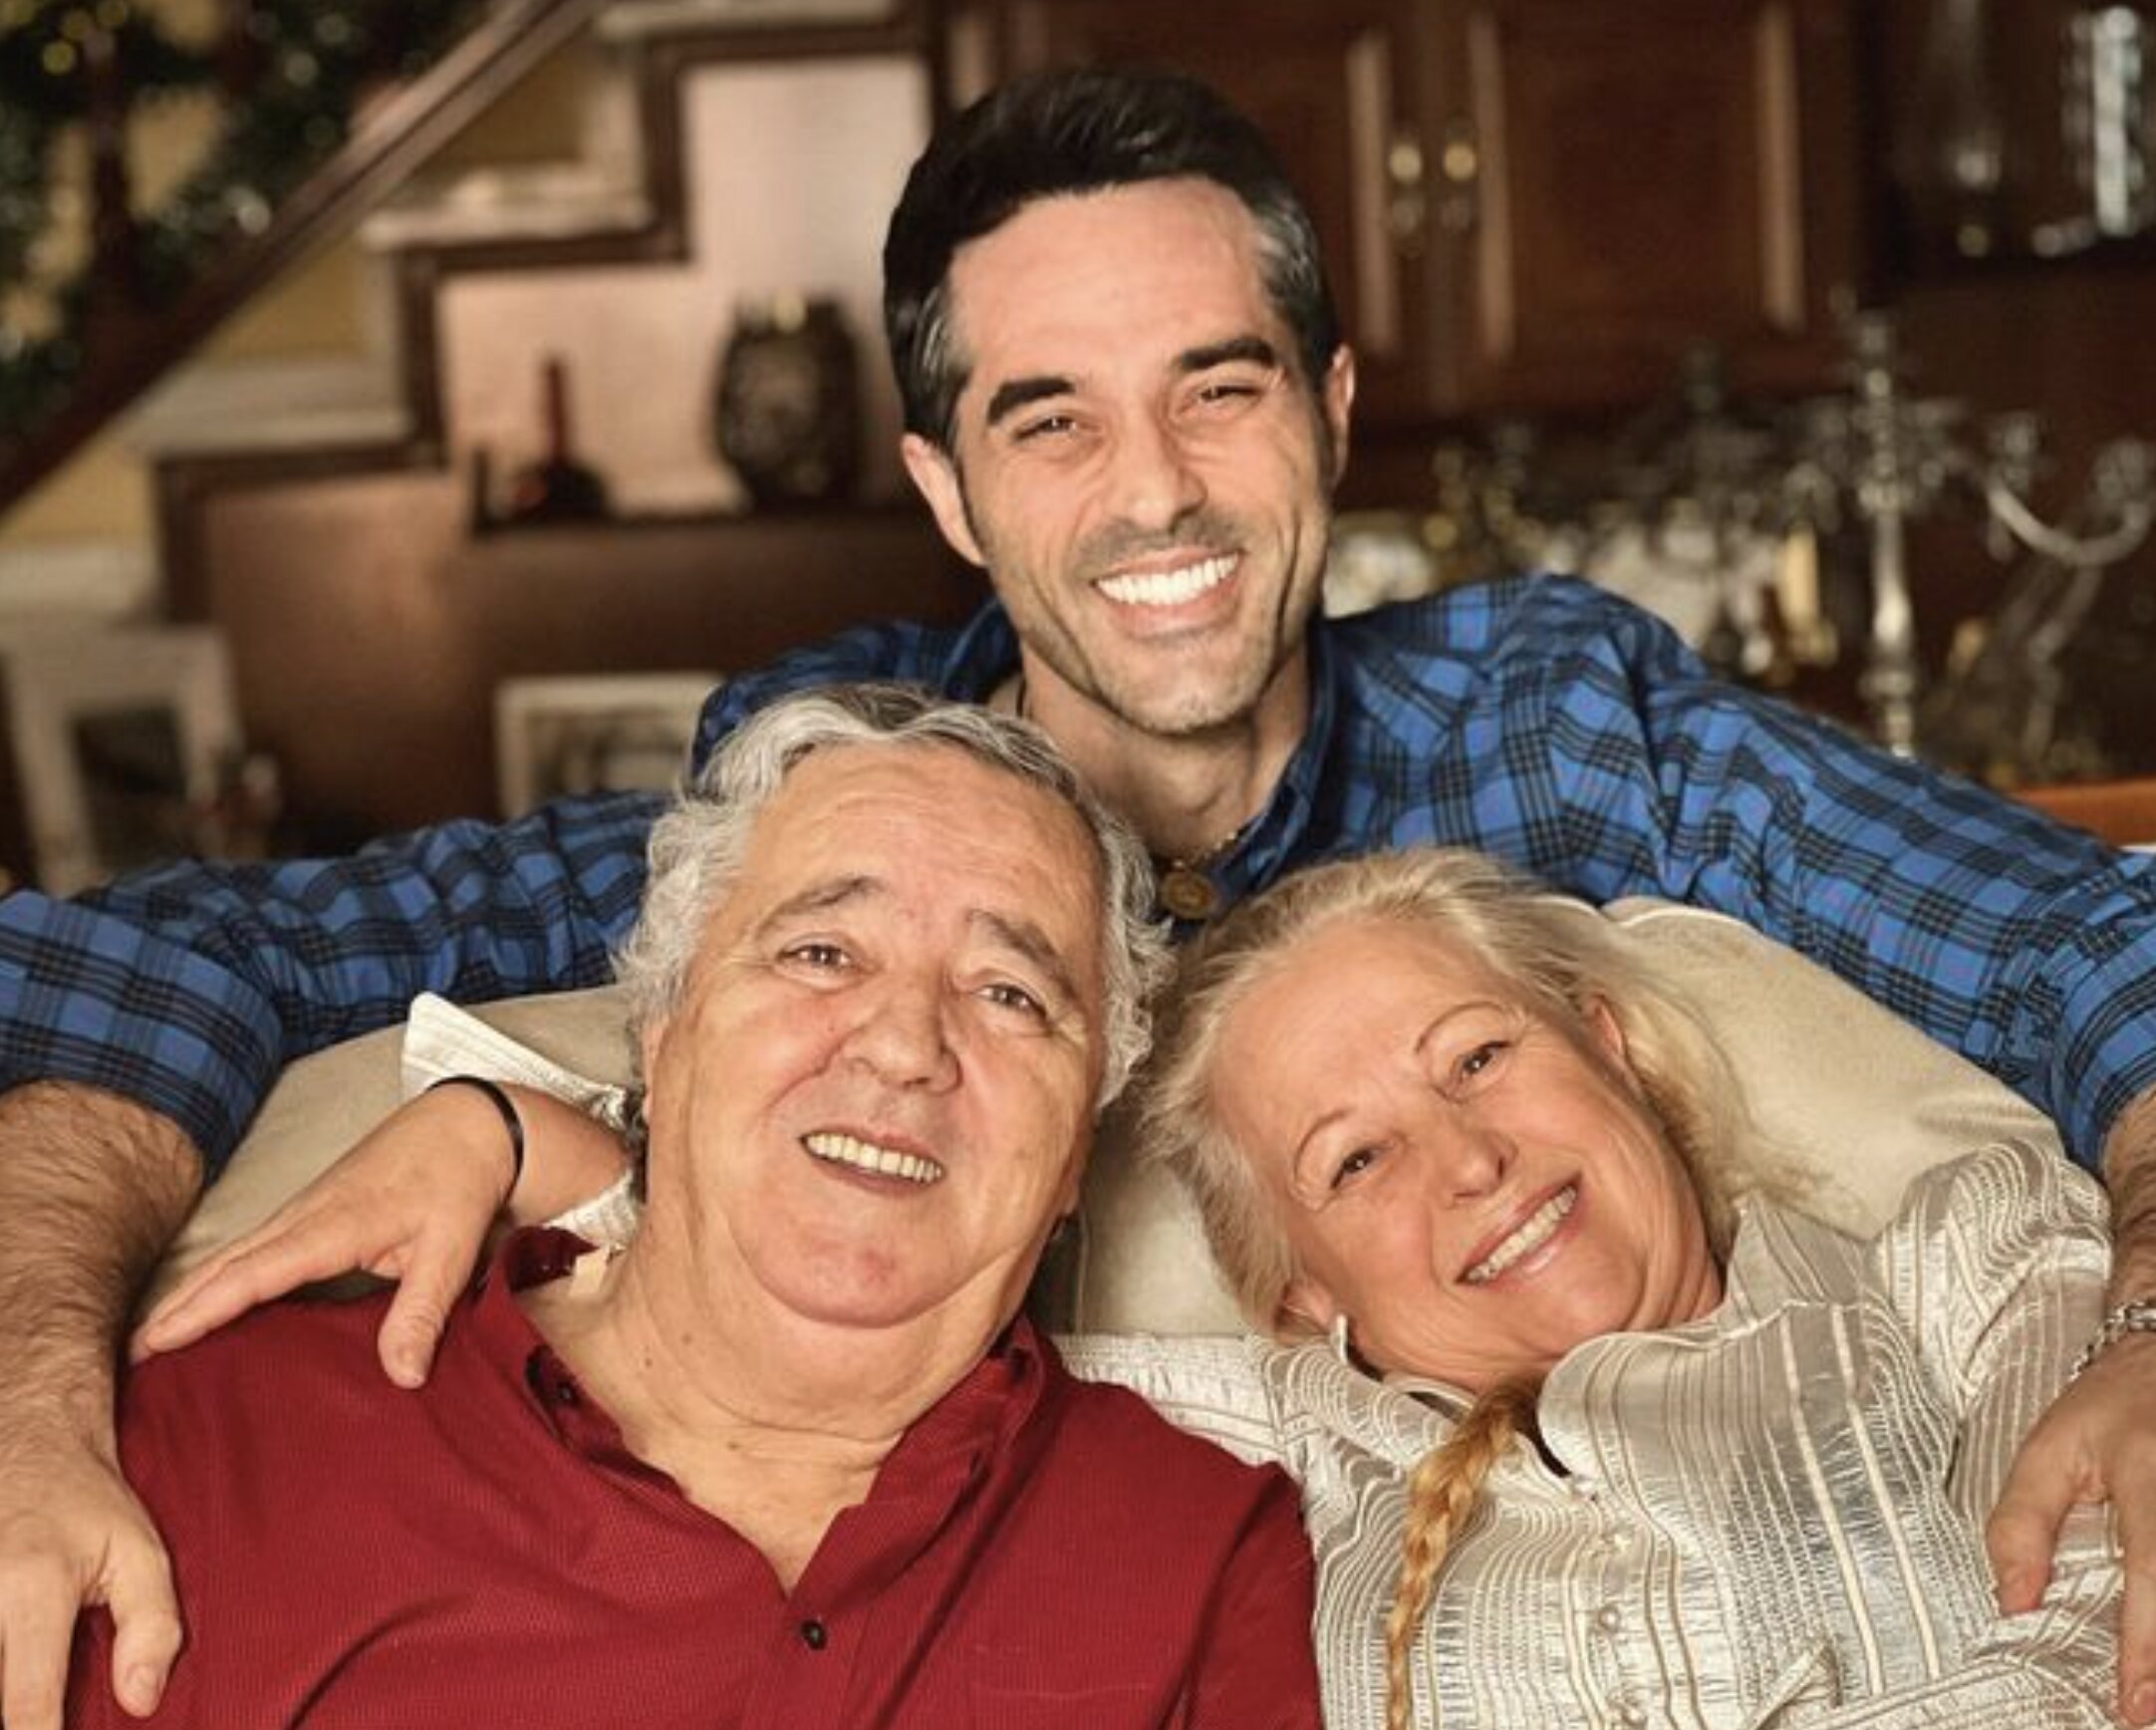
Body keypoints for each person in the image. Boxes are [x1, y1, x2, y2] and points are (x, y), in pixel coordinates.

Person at [3, 61, 2154, 1730]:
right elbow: (175, 949)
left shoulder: (1560, 728)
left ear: (1321, 413)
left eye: (1215, 388)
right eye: (1048, 422)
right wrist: (33, 1376)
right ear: (941, 486)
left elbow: (2088, 938)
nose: (1151, 494)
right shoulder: (846, 799)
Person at [61, 685, 1320, 1729]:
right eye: (820, 952)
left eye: (1009, 993)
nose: (902, 1045)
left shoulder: (1195, 1551)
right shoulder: (224, 1436)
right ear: (660, 1040)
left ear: (1071, 1157)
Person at [1076, 846, 2122, 1728]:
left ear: (1608, 1046)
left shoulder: (1970, 1266)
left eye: (1477, 1057)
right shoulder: (1241, 1445)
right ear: (1296, 1294)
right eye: (1356, 1159)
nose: (1469, 1159)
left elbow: (2102, 1658)